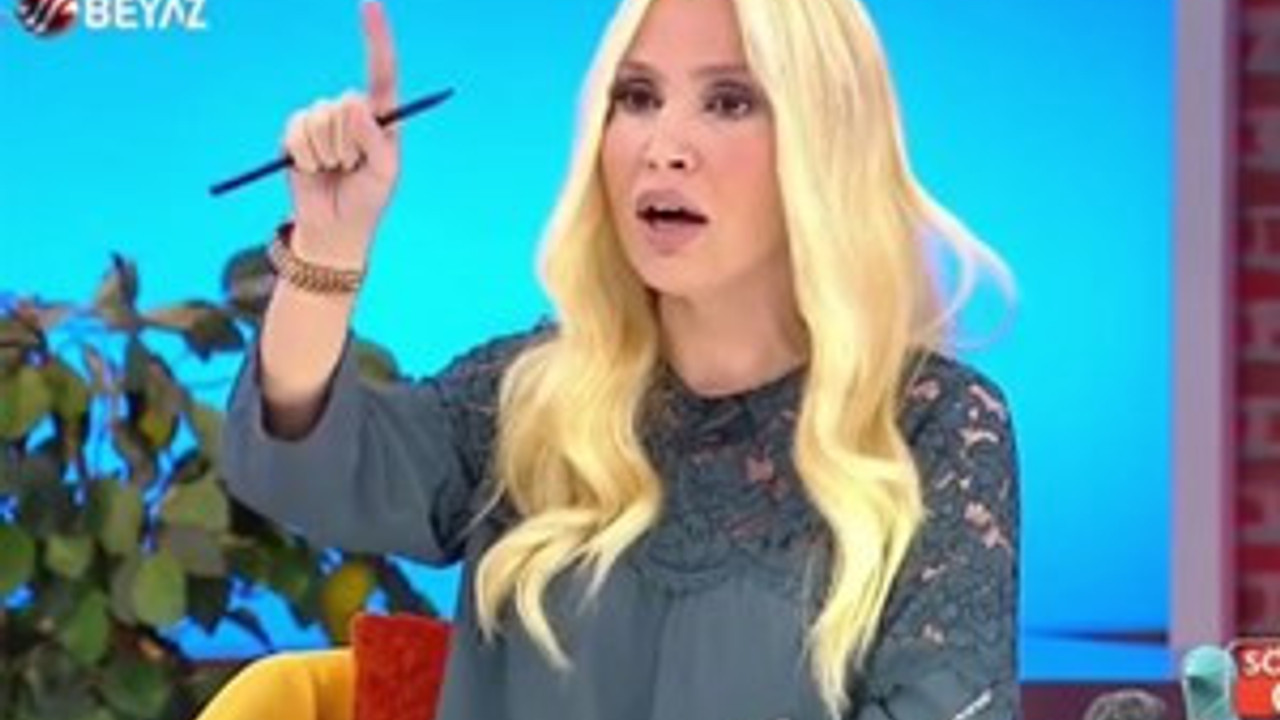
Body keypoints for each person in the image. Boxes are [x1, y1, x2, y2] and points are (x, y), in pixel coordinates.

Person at [221, 0, 1021, 718]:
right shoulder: (531, 394)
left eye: (729, 101)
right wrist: (329, 245)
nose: (662, 147)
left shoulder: (934, 429)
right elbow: (302, 467)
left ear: (826, 143)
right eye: (637, 98)